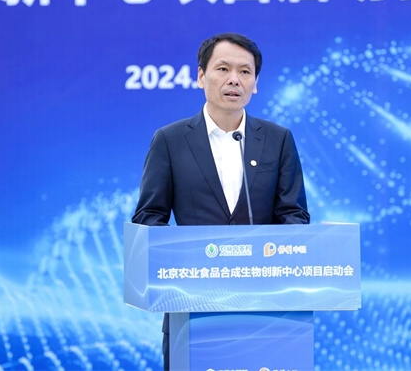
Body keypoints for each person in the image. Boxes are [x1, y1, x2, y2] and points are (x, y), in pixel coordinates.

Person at [131, 32, 310, 370]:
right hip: (193, 308)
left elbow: (294, 215)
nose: (234, 80)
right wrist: (185, 258)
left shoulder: (278, 140)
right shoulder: (170, 140)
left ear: (255, 84)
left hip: (264, 308)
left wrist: (274, 256)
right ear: (201, 76)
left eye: (245, 72)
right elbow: (149, 217)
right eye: (223, 69)